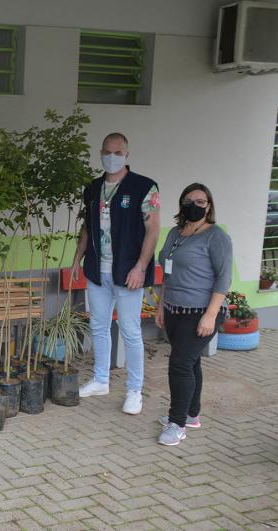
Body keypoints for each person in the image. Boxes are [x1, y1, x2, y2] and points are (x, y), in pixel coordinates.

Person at [71, 132, 160, 415]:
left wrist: (141, 267)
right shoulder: (94, 187)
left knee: (130, 332)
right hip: (98, 270)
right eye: (107, 152)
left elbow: (153, 230)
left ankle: (134, 391)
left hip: (128, 272)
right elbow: (88, 226)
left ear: (127, 154)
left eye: (118, 152)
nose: (112, 157)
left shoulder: (144, 187)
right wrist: (77, 258)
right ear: (101, 152)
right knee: (98, 326)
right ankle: (100, 379)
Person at [155, 183, 232, 446]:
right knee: (190, 362)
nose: (194, 205)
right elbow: (166, 273)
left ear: (209, 206)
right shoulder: (175, 233)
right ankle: (192, 414)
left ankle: (177, 423)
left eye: (201, 201)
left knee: (179, 363)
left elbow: (224, 279)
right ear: (181, 204)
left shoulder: (216, 236)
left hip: (202, 311)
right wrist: (160, 305)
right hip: (174, 308)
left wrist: (210, 315)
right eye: (189, 200)